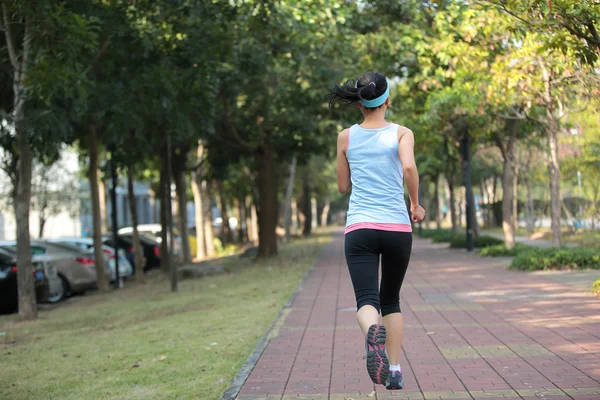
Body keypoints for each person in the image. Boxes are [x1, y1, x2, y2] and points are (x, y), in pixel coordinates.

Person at [327, 71, 425, 390]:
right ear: (387, 101)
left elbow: (343, 187)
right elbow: (409, 168)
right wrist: (415, 204)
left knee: (366, 299)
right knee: (391, 299)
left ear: (359, 105)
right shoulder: (402, 133)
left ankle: (372, 332)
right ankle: (394, 372)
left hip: (360, 228)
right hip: (397, 226)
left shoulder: (346, 137)